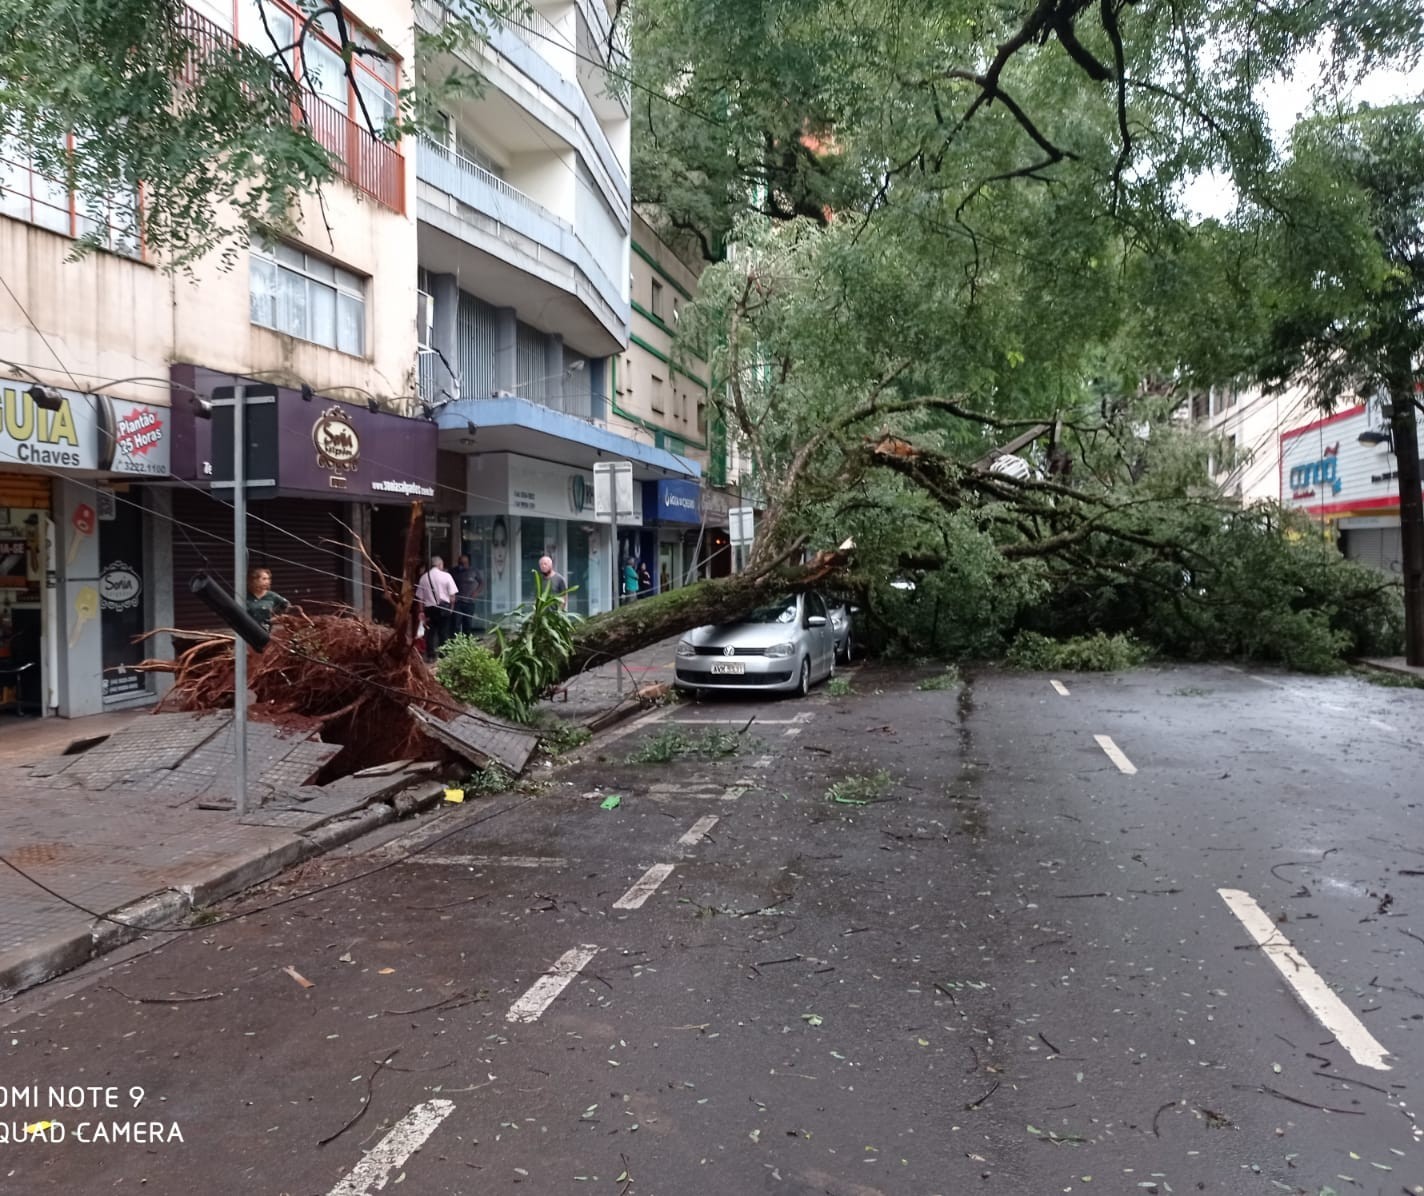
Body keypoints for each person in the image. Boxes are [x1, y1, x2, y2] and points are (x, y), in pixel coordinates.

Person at [416, 555, 458, 661]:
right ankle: (443, 655)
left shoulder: (423, 577)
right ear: (440, 564)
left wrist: (421, 611)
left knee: (430, 632)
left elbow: (420, 598)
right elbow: (452, 596)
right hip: (444, 608)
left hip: (430, 609)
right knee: (443, 632)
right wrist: (451, 608)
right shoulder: (446, 576)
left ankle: (430, 655)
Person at [245, 566, 290, 631]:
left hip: (266, 633)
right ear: (254, 580)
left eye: (268, 579)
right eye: (264, 579)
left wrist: (278, 617)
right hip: (247, 632)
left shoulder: (272, 596)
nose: (267, 582)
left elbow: (287, 606)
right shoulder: (245, 596)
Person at [450, 553, 483, 634]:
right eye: (460, 563)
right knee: (456, 624)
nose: (461, 565)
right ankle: (456, 643)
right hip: (457, 602)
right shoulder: (454, 571)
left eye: (464, 563)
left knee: (467, 624)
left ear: (468, 563)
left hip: (469, 601)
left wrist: (476, 592)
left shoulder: (474, 571)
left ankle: (467, 642)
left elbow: (481, 583)